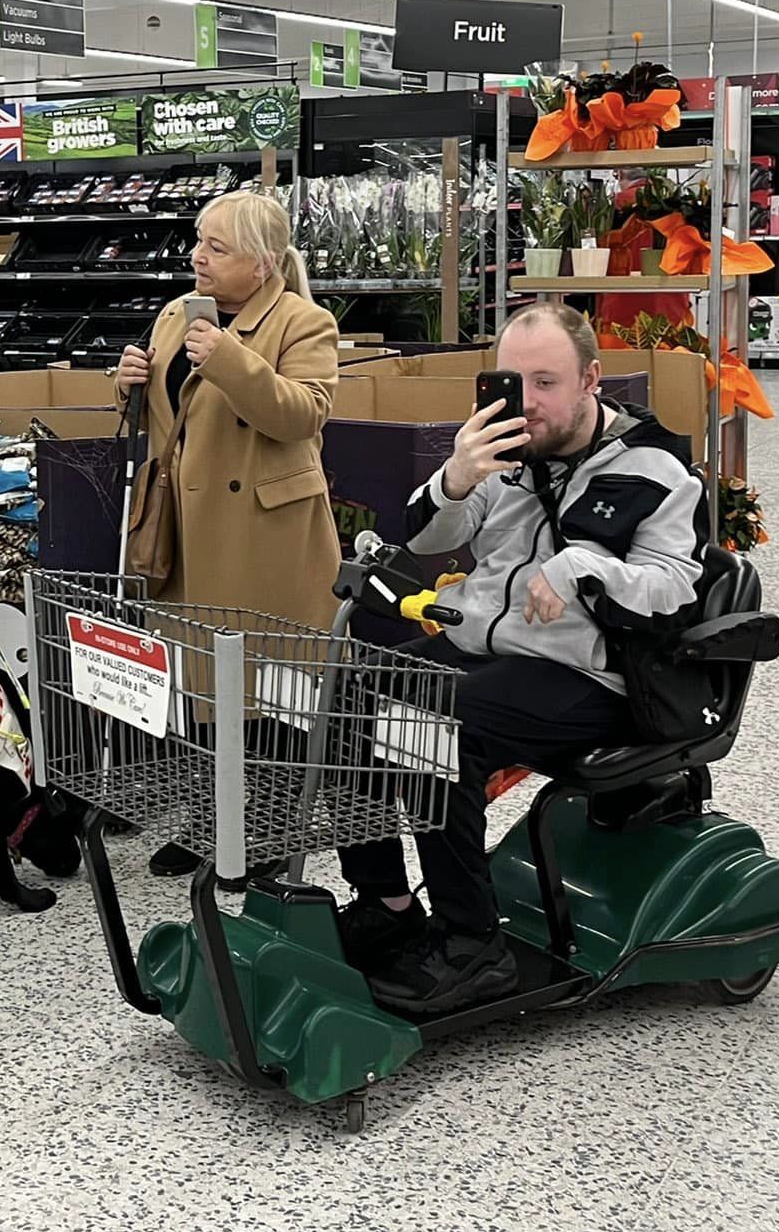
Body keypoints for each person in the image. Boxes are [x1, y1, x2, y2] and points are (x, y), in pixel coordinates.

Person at [335, 301, 704, 1015]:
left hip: (589, 673)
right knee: (355, 692)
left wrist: (582, 569)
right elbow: (427, 537)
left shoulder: (653, 466)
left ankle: (475, 947)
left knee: (435, 727)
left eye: (547, 383)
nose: (527, 403)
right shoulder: (502, 454)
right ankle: (387, 901)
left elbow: (674, 588)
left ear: (592, 380)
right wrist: (455, 478)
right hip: (485, 648)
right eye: (514, 381)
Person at [114, 190, 341, 876]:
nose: (198, 256)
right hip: (186, 531)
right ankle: (208, 822)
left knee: (270, 695)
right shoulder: (175, 314)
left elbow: (304, 415)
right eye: (198, 240)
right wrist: (126, 384)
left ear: (264, 265)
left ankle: (268, 835)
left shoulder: (305, 322)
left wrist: (229, 360)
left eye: (217, 247)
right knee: (201, 689)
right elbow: (161, 414)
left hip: (266, 536)